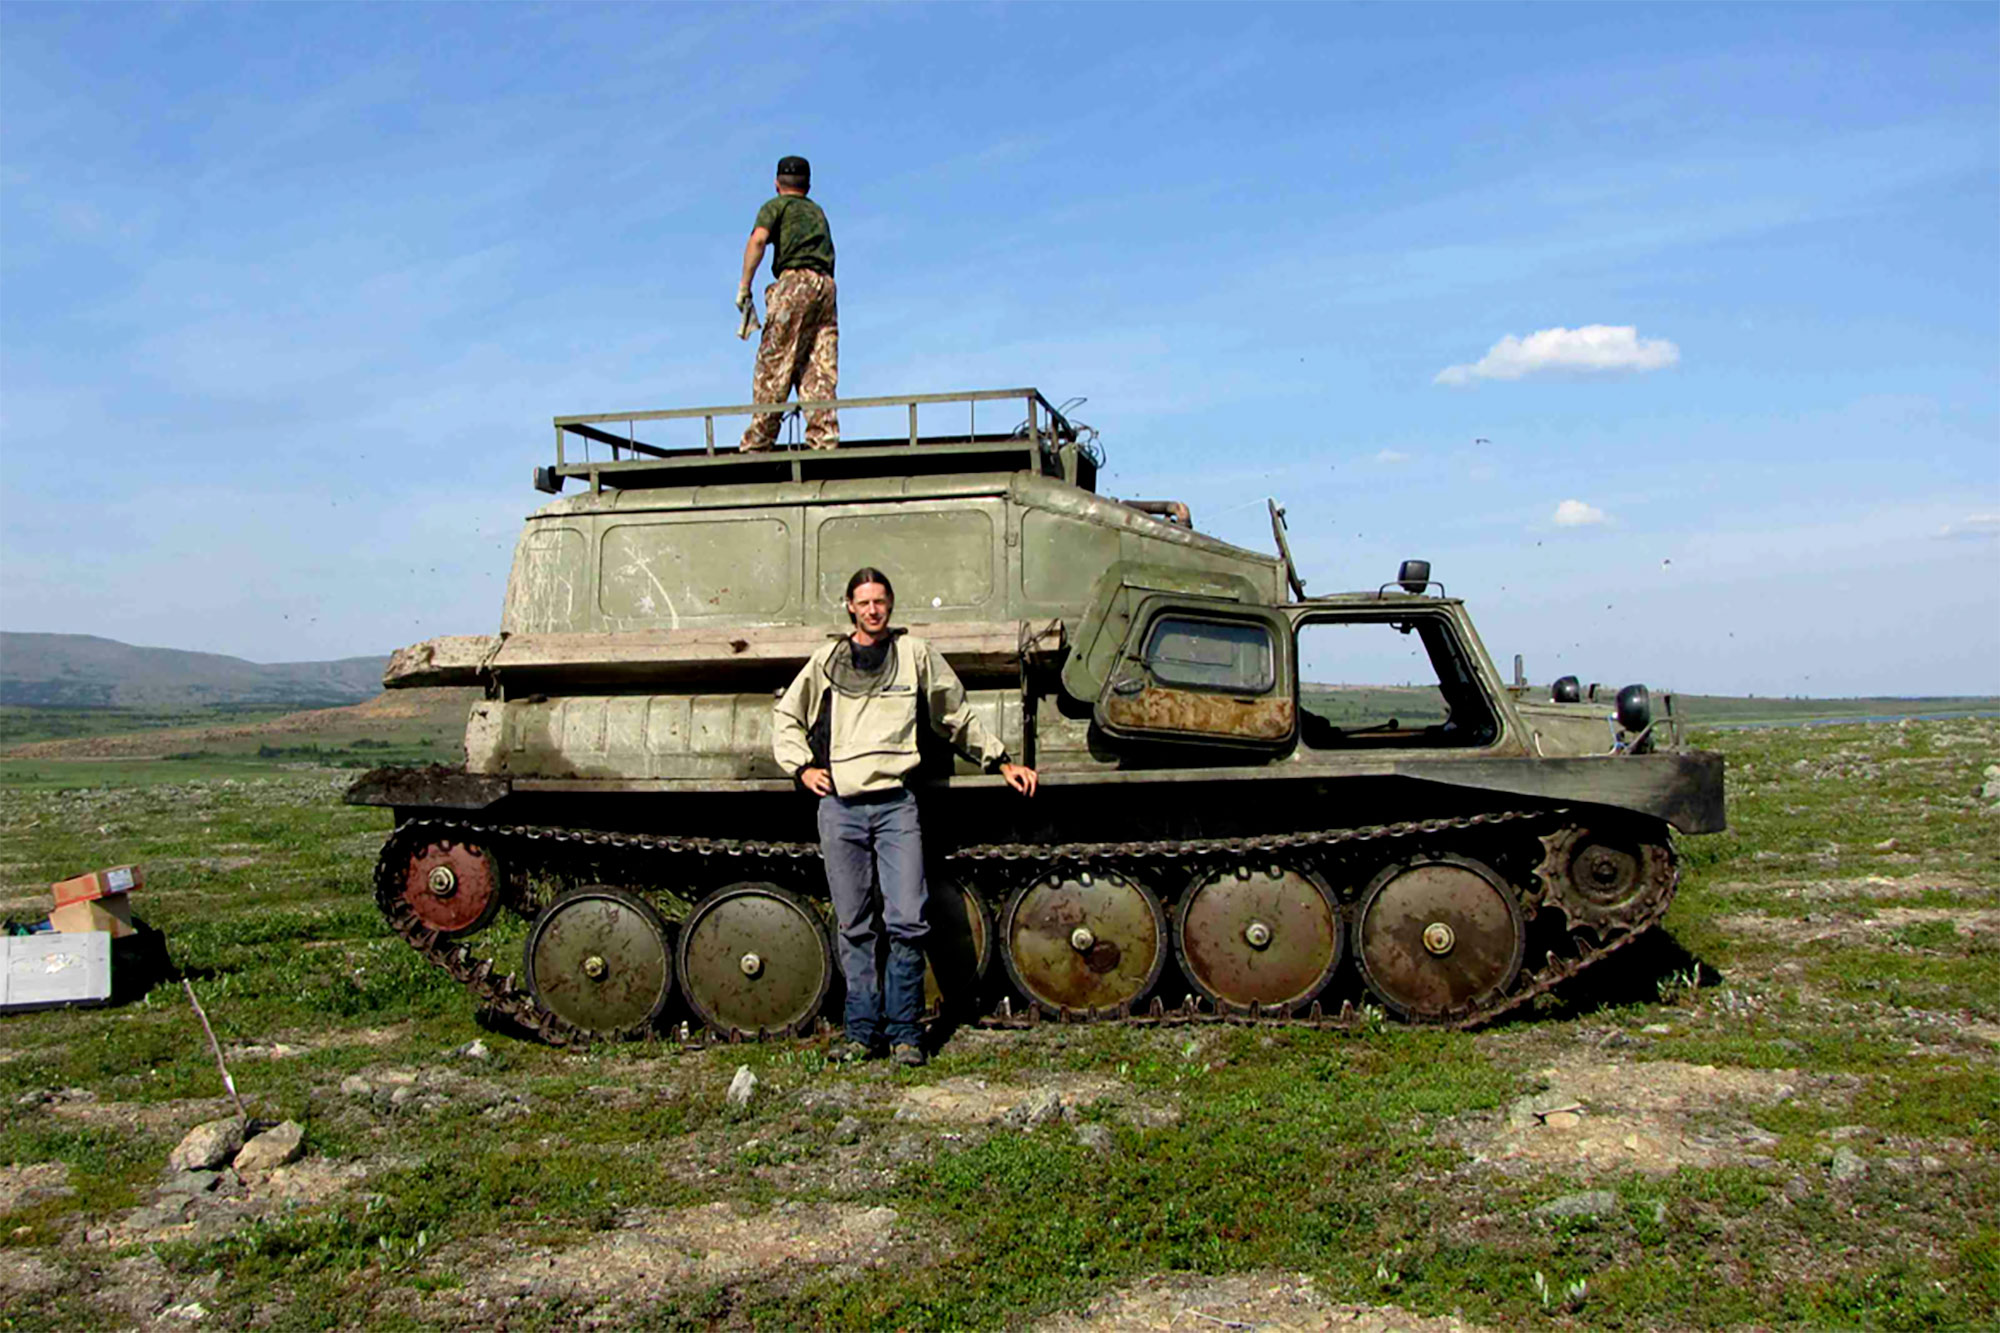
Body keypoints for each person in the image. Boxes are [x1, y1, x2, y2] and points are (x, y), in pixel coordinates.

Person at [772, 568, 1038, 1066]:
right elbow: (788, 715)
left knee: (908, 922)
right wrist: (802, 767)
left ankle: (906, 1036)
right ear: (849, 606)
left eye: (880, 601)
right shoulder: (827, 659)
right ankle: (860, 1034)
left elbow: (955, 714)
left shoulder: (915, 654)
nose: (873, 609)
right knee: (855, 926)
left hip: (897, 806)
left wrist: (1001, 760)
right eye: (863, 601)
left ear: (890, 605)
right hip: (841, 809)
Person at [736, 154, 839, 451]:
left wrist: (744, 287)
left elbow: (758, 240)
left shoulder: (776, 206)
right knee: (817, 364)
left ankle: (758, 442)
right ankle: (824, 437)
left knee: (774, 361)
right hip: (826, 288)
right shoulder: (817, 212)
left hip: (795, 283)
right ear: (808, 185)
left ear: (776, 184)